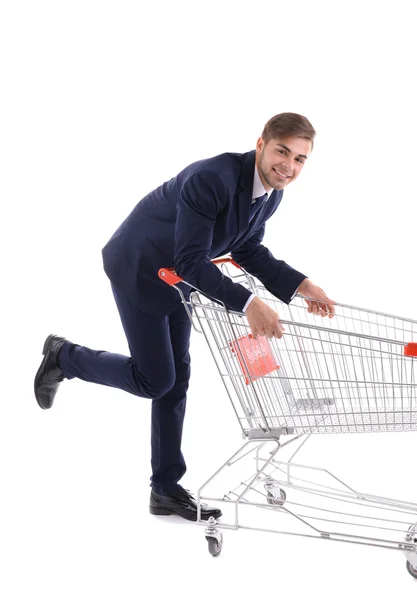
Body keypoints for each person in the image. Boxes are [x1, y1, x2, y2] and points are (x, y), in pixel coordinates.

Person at [34, 112, 335, 522]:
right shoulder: (213, 178)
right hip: (139, 267)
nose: (290, 166)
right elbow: (192, 259)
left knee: (177, 378)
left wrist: (302, 285)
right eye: (283, 152)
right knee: (155, 379)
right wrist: (249, 304)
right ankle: (64, 357)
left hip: (177, 279)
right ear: (261, 144)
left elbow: (247, 249)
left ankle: (165, 489)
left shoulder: (271, 192)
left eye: (301, 159)